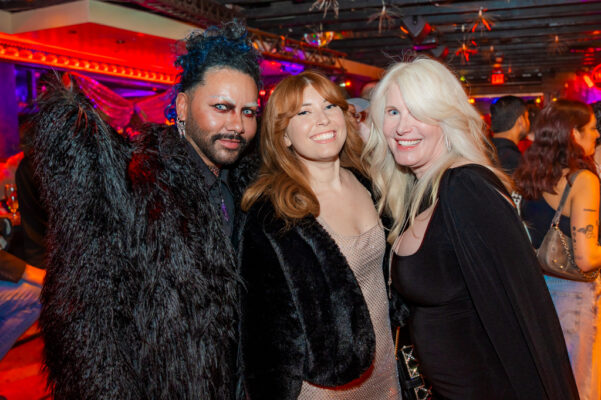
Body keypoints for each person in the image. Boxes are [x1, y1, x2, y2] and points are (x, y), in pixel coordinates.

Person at [28, 21, 260, 399]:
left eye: (249, 112)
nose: (237, 125)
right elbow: (87, 327)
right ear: (182, 106)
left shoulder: (251, 189)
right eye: (222, 107)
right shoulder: (133, 188)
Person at [363, 57, 579, 399]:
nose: (403, 127)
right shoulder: (420, 191)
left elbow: (522, 316)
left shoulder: (465, 188)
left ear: (447, 119)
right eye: (393, 112)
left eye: (419, 112)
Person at [239, 71, 404, 399]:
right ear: (284, 135)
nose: (323, 119)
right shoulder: (273, 212)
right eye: (303, 112)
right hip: (325, 389)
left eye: (330, 106)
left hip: (387, 373)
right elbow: (265, 337)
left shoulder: (369, 183)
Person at [514, 99, 601, 400]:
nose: (596, 134)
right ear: (574, 134)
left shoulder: (531, 175)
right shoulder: (582, 181)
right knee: (579, 385)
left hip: (537, 290)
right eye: (592, 128)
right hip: (573, 295)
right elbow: (585, 258)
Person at [489, 95, 530, 174]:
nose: (529, 123)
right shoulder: (515, 161)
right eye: (527, 117)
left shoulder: (483, 151)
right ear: (521, 121)